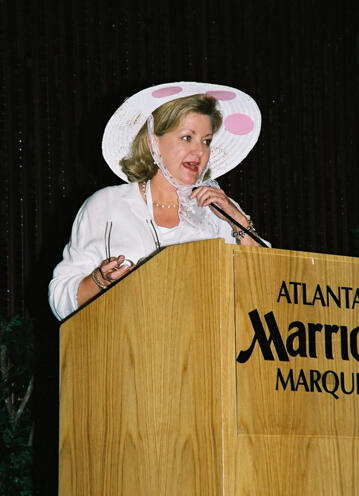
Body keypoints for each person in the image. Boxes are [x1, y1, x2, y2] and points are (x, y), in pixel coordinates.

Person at [49, 82, 269, 320]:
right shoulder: (106, 205)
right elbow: (61, 301)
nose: (199, 152)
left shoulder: (219, 211)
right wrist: (100, 281)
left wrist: (237, 221)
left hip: (206, 351)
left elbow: (267, 286)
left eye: (206, 141)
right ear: (152, 142)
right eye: (187, 138)